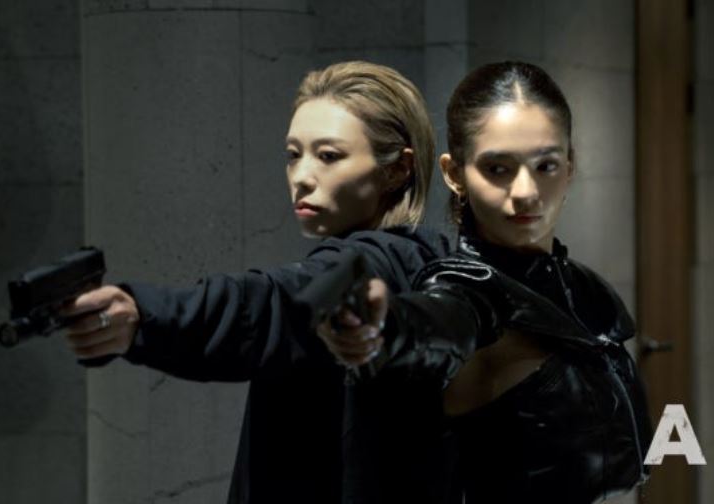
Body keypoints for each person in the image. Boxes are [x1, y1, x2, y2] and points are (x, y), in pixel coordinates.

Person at [58, 61, 456, 503]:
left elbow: (275, 303)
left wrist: (145, 316)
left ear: (398, 169)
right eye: (293, 154)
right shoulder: (430, 266)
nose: (301, 177)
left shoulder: (373, 266)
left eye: (329, 156)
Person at [319, 61, 653, 503]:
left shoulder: (582, 290)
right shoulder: (467, 290)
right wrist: (386, 324)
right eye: (498, 168)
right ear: (454, 174)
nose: (526, 191)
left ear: (570, 167)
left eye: (546, 165)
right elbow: (444, 318)